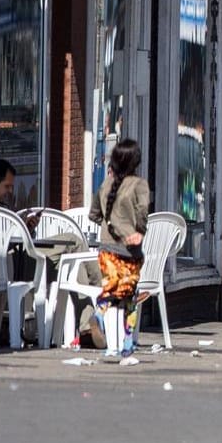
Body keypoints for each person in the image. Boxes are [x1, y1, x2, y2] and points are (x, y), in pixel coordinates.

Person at [89, 139, 150, 356]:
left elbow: (93, 214)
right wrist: (138, 232)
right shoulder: (139, 185)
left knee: (112, 291)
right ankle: (126, 343)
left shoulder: (105, 185)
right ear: (135, 161)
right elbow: (143, 213)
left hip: (106, 249)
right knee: (129, 297)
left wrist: (109, 226)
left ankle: (100, 315)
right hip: (129, 250)